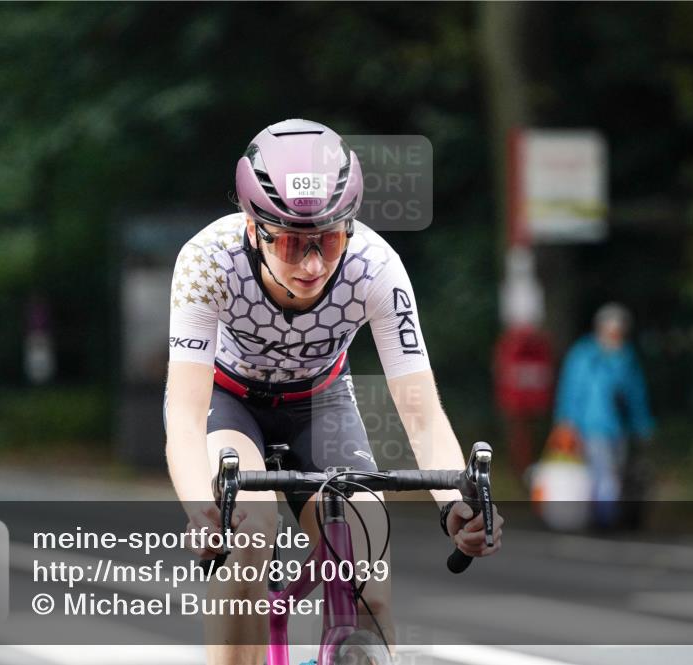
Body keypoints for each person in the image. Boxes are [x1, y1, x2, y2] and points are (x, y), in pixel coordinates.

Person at [163, 119, 503, 665]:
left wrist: (454, 502)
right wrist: (202, 508)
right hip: (229, 403)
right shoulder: (208, 262)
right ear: (255, 230)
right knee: (249, 532)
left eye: (330, 239)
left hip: (318, 401)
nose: (314, 264)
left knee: (370, 566)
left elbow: (419, 409)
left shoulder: (376, 266)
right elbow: (183, 411)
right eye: (295, 243)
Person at [553, 303, 654, 527]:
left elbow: (635, 394)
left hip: (619, 428)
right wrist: (566, 422)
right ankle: (603, 518)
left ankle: (607, 515)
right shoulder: (584, 356)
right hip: (590, 426)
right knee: (603, 473)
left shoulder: (625, 357)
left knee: (614, 472)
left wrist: (643, 426)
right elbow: (571, 391)